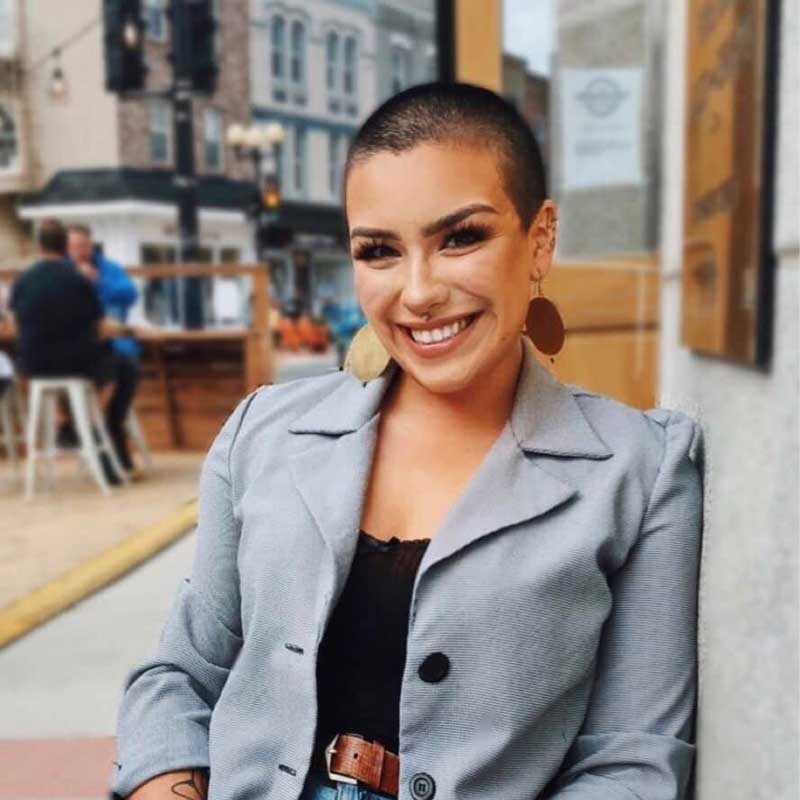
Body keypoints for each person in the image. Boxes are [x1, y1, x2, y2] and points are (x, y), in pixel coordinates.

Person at [111, 83, 704, 800]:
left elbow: (630, 765)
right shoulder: (263, 435)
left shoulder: (640, 470)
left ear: (540, 238)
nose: (418, 292)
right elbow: (181, 676)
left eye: (460, 238)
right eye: (379, 251)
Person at [9, 219, 130, 481]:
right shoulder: (79, 279)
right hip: (78, 363)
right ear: (64, 246)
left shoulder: (23, 281)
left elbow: (17, 326)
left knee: (26, 369)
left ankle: (61, 421)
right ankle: (89, 423)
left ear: (39, 245)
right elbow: (99, 325)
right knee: (115, 366)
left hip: (35, 365)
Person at [65, 224, 140, 472]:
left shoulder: (109, 269)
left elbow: (130, 294)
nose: (79, 251)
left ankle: (106, 438)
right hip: (78, 352)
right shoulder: (62, 273)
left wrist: (98, 283)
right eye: (74, 247)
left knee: (126, 367)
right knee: (112, 371)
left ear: (91, 245)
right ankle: (91, 434)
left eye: (83, 246)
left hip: (116, 345)